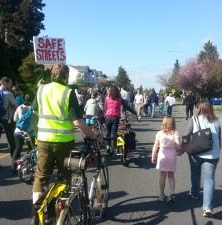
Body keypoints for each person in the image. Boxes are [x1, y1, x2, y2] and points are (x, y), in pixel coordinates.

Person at [31, 63, 97, 224]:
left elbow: (34, 111)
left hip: (43, 140)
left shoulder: (41, 89)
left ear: (53, 74)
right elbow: (78, 122)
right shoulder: (68, 93)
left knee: (41, 176)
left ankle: (37, 211)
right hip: (64, 142)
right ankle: (59, 212)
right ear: (66, 76)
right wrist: (94, 135)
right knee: (64, 175)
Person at [183, 100, 222, 218]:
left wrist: (184, 148)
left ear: (199, 109)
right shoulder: (217, 121)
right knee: (209, 180)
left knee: (195, 174)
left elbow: (186, 136)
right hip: (213, 155)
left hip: (196, 153)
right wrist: (217, 151)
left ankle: (195, 193)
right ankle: (207, 208)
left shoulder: (194, 119)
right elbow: (219, 140)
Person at [151, 116, 182, 204]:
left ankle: (161, 195)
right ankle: (172, 192)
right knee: (171, 176)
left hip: (162, 154)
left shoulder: (160, 133)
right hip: (172, 155)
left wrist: (153, 155)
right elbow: (178, 145)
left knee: (162, 176)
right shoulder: (175, 133)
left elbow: (155, 146)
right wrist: (180, 151)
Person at [11, 93, 38, 174]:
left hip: (18, 131)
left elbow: (15, 119)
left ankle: (13, 168)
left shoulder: (19, 107)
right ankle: (30, 166)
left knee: (17, 149)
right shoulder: (34, 109)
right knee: (31, 150)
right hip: (30, 133)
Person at [104, 85, 137, 152]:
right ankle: (114, 147)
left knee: (108, 132)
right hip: (115, 117)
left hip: (107, 117)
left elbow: (105, 108)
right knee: (114, 133)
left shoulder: (107, 98)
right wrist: (134, 112)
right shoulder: (119, 99)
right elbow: (127, 107)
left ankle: (108, 146)